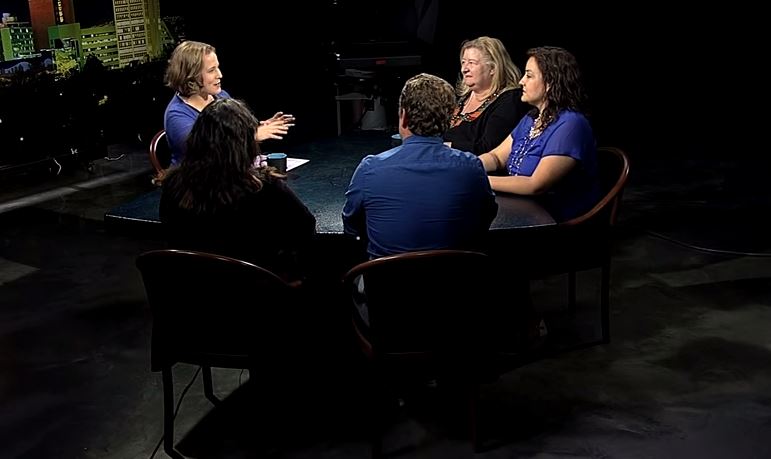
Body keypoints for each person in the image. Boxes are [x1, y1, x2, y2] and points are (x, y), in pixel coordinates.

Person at [343, 73, 498, 259]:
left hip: (385, 285)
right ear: (449, 120)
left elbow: (352, 227)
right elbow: (485, 217)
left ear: (403, 116)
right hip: (457, 284)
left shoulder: (370, 169)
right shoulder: (472, 168)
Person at [160, 98, 316, 283]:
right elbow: (304, 228)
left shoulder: (173, 184)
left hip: (192, 291)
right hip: (254, 292)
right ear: (246, 144)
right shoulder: (262, 188)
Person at [478, 46, 599, 221]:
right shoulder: (531, 118)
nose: (521, 81)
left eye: (529, 75)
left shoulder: (571, 124)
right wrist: (467, 166)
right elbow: (497, 157)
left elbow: (535, 184)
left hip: (555, 221)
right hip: (522, 209)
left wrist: (478, 179)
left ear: (549, 83)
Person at [163, 40, 294, 166]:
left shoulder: (221, 97)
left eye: (218, 68)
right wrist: (252, 136)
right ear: (190, 76)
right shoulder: (177, 115)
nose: (219, 75)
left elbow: (233, 131)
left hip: (228, 175)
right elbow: (206, 152)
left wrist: (255, 127)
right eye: (211, 70)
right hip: (196, 183)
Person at [444, 36, 529, 155]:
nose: (464, 69)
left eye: (472, 63)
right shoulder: (462, 98)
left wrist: (444, 147)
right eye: (463, 62)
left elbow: (489, 148)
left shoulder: (510, 101)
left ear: (492, 68)